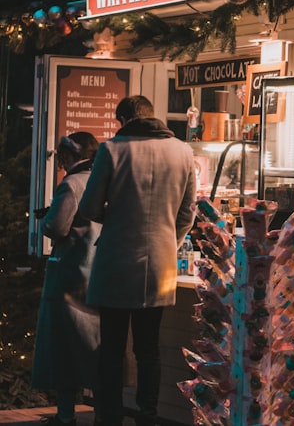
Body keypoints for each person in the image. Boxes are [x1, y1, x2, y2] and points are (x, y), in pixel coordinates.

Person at [78, 95, 196, 426]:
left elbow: (88, 208)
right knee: (149, 349)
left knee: (112, 348)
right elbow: (187, 213)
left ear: (123, 119)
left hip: (116, 259)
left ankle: (109, 417)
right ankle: (147, 415)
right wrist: (168, 241)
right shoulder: (183, 152)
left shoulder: (112, 150)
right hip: (160, 263)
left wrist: (116, 216)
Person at [32, 132, 102, 426]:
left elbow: (57, 228)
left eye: (62, 158)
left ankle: (65, 414)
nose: (61, 163)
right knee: (95, 349)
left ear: (71, 156)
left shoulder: (71, 183)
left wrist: (46, 219)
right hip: (97, 273)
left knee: (63, 346)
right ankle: (103, 413)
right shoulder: (101, 180)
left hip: (70, 274)